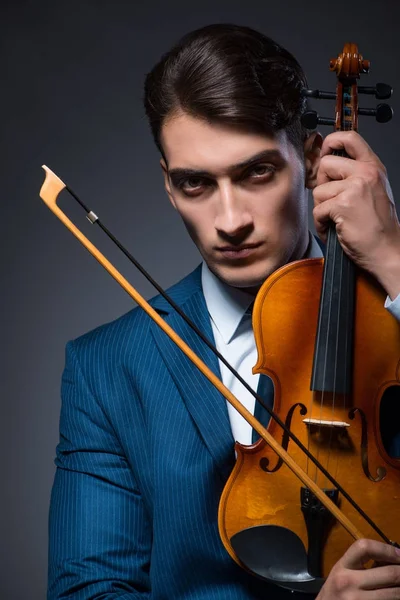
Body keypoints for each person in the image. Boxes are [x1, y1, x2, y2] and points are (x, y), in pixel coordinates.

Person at [47, 24, 400, 600]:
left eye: (256, 172)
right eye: (196, 184)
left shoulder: (393, 303)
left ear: (312, 161)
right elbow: (87, 592)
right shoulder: (106, 368)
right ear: (168, 185)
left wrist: (392, 259)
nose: (230, 219)